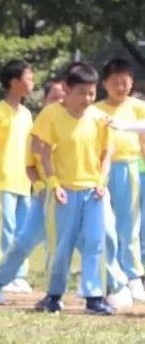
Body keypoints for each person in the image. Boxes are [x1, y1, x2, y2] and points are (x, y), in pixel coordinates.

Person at [33, 62, 113, 315]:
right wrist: (53, 184)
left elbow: (106, 153)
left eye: (92, 93)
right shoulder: (51, 115)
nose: (87, 99)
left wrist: (101, 183)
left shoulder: (100, 118)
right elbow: (44, 152)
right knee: (61, 246)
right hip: (64, 192)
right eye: (82, 93)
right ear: (66, 89)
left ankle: (94, 297)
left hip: (93, 192)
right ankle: (54, 295)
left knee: (94, 243)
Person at [0, 76, 66, 307]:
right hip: (43, 197)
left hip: (71, 197)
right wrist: (41, 187)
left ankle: (55, 293)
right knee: (23, 242)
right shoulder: (36, 127)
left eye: (62, 97)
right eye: (53, 97)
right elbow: (30, 165)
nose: (59, 101)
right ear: (44, 100)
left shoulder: (73, 124)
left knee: (65, 246)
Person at [94, 58, 145, 302]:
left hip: (129, 167)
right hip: (102, 170)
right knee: (106, 225)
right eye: (115, 82)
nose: (120, 87)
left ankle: (134, 276)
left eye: (125, 82)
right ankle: (111, 276)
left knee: (130, 224)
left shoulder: (137, 106)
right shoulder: (96, 110)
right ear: (105, 84)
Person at [0, 59, 35, 294]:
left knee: (23, 230)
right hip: (3, 179)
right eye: (28, 78)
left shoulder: (26, 114)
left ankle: (19, 274)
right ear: (14, 82)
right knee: (5, 230)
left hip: (24, 181)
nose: (32, 82)